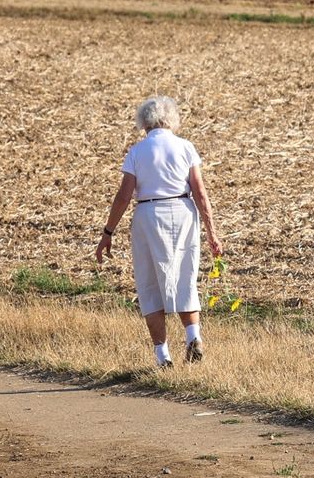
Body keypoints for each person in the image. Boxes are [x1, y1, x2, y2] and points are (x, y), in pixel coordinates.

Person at [95, 96, 223, 367]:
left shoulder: (137, 152)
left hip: (148, 214)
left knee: (150, 282)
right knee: (185, 275)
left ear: (144, 122)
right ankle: (192, 336)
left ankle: (162, 356)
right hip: (183, 211)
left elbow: (123, 196)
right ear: (171, 120)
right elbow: (200, 192)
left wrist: (108, 231)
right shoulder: (186, 147)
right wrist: (212, 231)